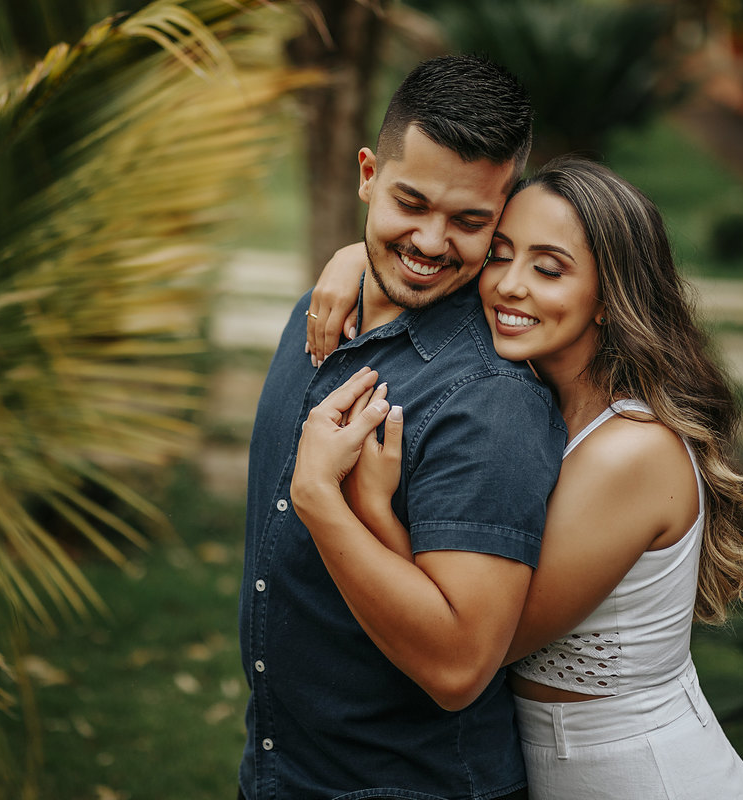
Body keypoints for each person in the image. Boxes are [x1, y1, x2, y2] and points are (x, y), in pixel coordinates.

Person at [297, 155, 743, 799]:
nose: (508, 286)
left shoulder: (629, 454)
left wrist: (362, 507)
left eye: (549, 269)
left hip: (643, 777)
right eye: (501, 255)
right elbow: (430, 262)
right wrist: (356, 259)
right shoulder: (541, 388)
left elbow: (463, 647)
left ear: (610, 299)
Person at [238, 54, 567, 800]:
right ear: (367, 173)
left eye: (469, 221)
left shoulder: (490, 402)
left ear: (503, 212)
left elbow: (458, 668)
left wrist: (322, 500)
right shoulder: (318, 314)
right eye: (409, 202)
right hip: (282, 771)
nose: (429, 241)